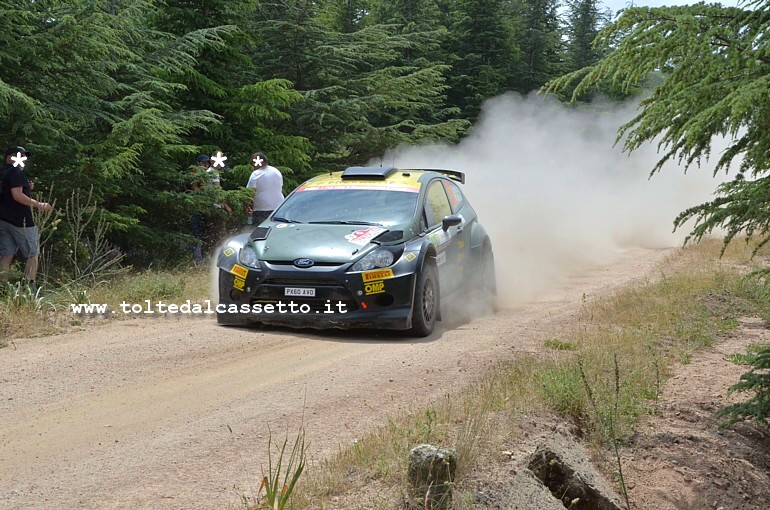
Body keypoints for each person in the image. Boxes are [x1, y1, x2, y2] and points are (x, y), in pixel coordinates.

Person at [0, 146, 53, 289]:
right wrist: (40, 205)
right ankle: (30, 288)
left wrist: (26, 187)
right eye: (19, 155)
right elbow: (17, 196)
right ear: (10, 157)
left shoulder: (3, 172)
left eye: (24, 156)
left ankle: (2, 287)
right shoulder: (16, 172)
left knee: (6, 255)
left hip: (3, 220)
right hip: (20, 220)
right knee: (33, 253)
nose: (23, 159)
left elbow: (8, 191)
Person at [246, 152, 283, 226]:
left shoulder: (256, 173)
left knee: (260, 233)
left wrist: (247, 206)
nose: (253, 165)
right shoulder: (276, 171)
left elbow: (250, 192)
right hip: (278, 207)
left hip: (261, 209)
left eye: (254, 162)